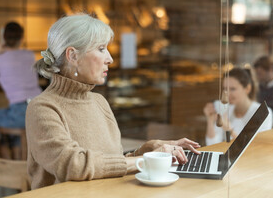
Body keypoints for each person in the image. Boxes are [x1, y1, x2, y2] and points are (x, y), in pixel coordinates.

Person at [26, 13, 201, 189]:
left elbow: (106, 167)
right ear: (72, 56)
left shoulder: (99, 101)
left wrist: (147, 150)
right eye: (101, 49)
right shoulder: (42, 108)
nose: (110, 59)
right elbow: (74, 165)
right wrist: (145, 160)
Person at [0, 22, 42, 158]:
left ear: (3, 37)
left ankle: (3, 155)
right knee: (14, 124)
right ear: (21, 38)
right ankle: (16, 158)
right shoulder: (29, 55)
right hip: (39, 108)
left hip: (19, 112)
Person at [203, 67, 273, 146]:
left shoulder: (263, 112)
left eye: (233, 89)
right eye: (225, 89)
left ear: (247, 88)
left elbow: (254, 148)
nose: (227, 94)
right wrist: (210, 120)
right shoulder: (225, 108)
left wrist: (230, 130)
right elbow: (212, 144)